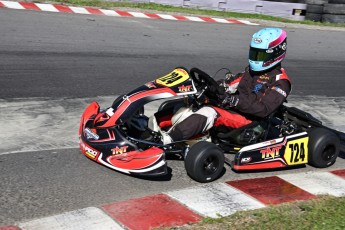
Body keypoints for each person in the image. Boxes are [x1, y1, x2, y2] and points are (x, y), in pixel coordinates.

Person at [161, 27, 292, 144]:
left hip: (250, 123)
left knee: (210, 112)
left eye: (261, 54)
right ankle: (153, 128)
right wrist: (206, 87)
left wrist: (234, 101)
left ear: (276, 53)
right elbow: (227, 84)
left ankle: (167, 141)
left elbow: (263, 109)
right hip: (236, 112)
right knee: (190, 103)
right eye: (254, 53)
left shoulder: (280, 81)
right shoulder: (251, 73)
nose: (256, 58)